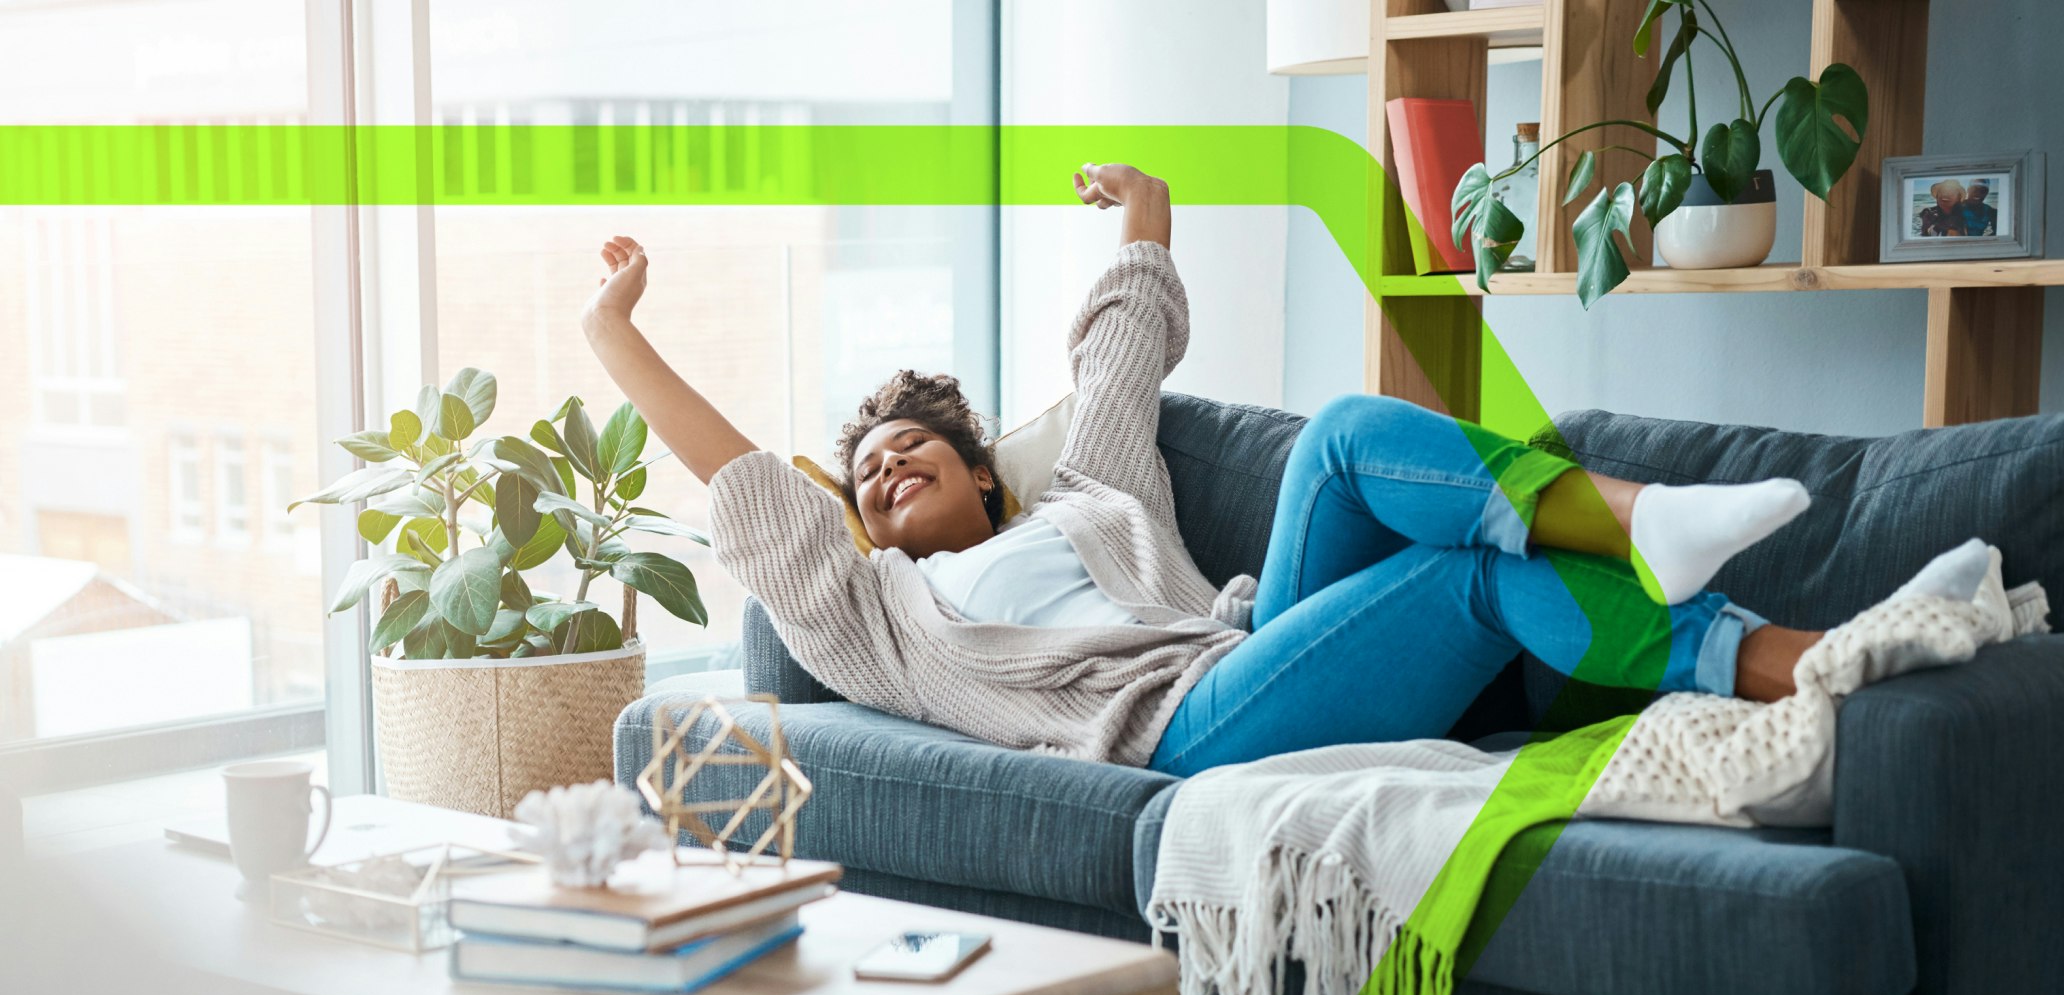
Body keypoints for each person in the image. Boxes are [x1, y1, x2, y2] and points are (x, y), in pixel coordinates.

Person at [579, 163, 1857, 778]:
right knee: (1470, 579)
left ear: (985, 474)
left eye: (912, 446)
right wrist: (611, 334)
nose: (885, 468)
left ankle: (1676, 536)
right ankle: (1797, 661)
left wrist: (1146, 208)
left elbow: (1120, 352)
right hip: (1178, 728)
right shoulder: (878, 618)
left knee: (1349, 430)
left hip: (1252, 649)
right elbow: (745, 482)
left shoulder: (1089, 496)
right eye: (863, 478)